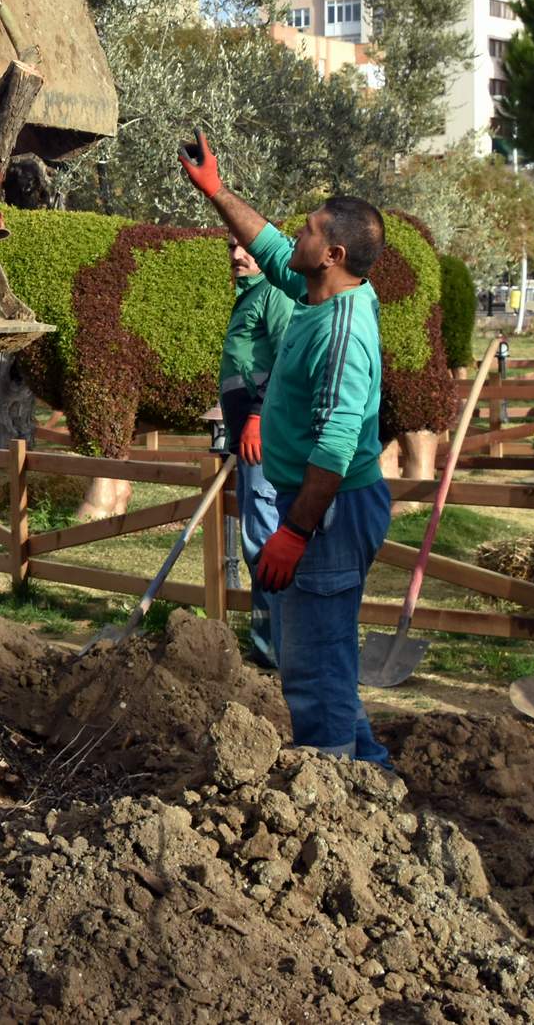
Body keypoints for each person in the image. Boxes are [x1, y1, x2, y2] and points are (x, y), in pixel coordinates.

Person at [182, 133, 391, 764]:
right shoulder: (318, 292)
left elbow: (335, 446)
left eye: (306, 230)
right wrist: (217, 192)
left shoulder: (343, 332)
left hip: (327, 512)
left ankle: (332, 800)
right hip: (317, 506)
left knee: (311, 665)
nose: (290, 235)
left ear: (332, 253)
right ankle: (370, 781)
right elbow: (268, 246)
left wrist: (294, 532)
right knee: (325, 656)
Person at [220, 239, 295, 668]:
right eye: (231, 247)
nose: (236, 255)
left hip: (264, 437)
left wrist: (256, 415)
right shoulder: (248, 297)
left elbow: (287, 359)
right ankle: (267, 644)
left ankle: (280, 648)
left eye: (246, 247)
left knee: (265, 541)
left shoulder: (275, 294)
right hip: (248, 439)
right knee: (256, 542)